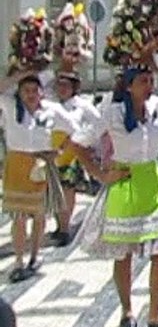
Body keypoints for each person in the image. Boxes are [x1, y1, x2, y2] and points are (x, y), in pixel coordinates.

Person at [69, 62, 158, 327]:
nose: (149, 86)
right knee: (124, 253)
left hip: (152, 183)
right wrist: (101, 174)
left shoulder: (156, 106)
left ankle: (156, 314)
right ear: (129, 85)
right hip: (125, 180)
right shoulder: (112, 113)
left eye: (150, 81)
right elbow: (78, 143)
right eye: (143, 81)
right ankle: (127, 310)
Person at [0, 71, 80, 282]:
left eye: (35, 90)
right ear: (19, 92)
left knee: (39, 215)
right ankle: (19, 260)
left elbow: (75, 129)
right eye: (26, 91)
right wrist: (24, 71)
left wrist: (60, 150)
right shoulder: (10, 106)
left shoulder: (51, 110)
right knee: (18, 216)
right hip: (17, 163)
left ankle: (34, 256)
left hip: (41, 163)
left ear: (42, 92)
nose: (31, 95)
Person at [49, 71, 101, 247]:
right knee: (54, 191)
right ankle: (59, 225)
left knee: (67, 190)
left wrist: (85, 141)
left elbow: (97, 123)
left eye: (66, 85)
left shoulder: (82, 105)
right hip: (51, 151)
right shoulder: (51, 104)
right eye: (59, 85)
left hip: (71, 151)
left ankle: (65, 228)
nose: (62, 89)